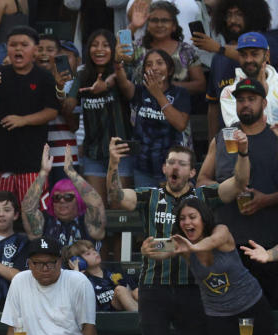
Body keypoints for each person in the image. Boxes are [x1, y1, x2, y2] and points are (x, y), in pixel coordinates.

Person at [108, 136, 250, 335]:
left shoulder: (205, 196)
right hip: (153, 287)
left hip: (194, 287)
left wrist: (243, 153)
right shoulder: (149, 196)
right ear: (164, 168)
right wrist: (113, 164)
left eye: (182, 164)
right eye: (171, 162)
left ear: (192, 172)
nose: (175, 167)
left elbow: (239, 182)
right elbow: (116, 196)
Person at [197, 77, 278, 307]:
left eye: (251, 99)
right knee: (231, 319)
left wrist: (266, 200)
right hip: (228, 247)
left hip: (268, 245)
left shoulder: (274, 138)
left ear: (263, 103)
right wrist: (224, 191)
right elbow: (202, 180)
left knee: (268, 320)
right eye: (240, 100)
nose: (245, 104)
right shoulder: (223, 137)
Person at [158, 197, 274, 335]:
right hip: (218, 315)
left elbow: (213, 241)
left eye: (192, 217)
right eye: (182, 218)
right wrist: (147, 249)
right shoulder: (183, 243)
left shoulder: (221, 230)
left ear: (204, 219)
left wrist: (193, 247)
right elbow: (160, 247)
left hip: (250, 305)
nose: (187, 222)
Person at [0, 26, 58, 203]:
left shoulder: (44, 77)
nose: (18, 49)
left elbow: (52, 111)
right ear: (7, 49)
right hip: (1, 159)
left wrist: (23, 120)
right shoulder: (0, 73)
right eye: (13, 45)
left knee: (33, 215)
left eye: (24, 44)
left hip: (32, 161)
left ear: (35, 50)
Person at [0, 236, 98, 335]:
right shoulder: (19, 281)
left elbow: (88, 329)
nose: (45, 269)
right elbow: (12, 329)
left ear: (60, 262)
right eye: (38, 263)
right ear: (29, 264)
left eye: (51, 263)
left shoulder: (79, 282)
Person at [74, 29, 133, 200]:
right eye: (94, 45)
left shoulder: (123, 73)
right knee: (96, 210)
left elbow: (126, 86)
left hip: (121, 150)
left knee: (119, 207)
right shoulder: (82, 75)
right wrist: (61, 87)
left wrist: (107, 85)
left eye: (106, 45)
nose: (99, 49)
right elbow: (69, 104)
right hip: (93, 153)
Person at [201, 0, 271, 139]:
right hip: (230, 142)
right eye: (229, 15)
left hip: (266, 140)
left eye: (239, 14)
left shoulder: (269, 44)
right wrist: (212, 146)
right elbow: (214, 108)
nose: (233, 20)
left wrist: (219, 48)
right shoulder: (218, 59)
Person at [123, 47, 190, 188]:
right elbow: (121, 80)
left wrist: (158, 94)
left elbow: (180, 124)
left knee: (172, 208)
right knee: (147, 208)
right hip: (143, 166)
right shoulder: (139, 91)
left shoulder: (180, 93)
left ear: (170, 70)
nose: (154, 67)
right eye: (149, 64)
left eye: (160, 63)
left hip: (172, 166)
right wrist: (118, 63)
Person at [21, 144, 107, 249]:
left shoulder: (88, 223)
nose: (62, 201)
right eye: (56, 198)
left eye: (68, 197)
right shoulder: (44, 223)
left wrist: (71, 172)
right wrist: (43, 172)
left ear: (78, 200)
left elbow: (96, 203)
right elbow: (28, 209)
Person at [127, 1, 205, 96]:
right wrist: (133, 26)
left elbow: (200, 85)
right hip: (141, 108)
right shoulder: (137, 47)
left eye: (165, 20)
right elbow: (118, 54)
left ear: (174, 26)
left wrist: (167, 86)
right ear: (147, 25)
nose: (159, 25)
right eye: (154, 20)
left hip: (177, 108)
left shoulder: (186, 51)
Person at [35, 33, 79, 184]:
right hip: (36, 158)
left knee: (66, 205)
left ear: (59, 54)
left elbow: (73, 124)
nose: (44, 54)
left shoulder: (71, 83)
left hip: (65, 158)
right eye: (39, 49)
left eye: (50, 49)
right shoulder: (29, 78)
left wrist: (58, 89)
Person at [219, 31, 278, 127]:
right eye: (243, 55)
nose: (248, 60)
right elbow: (241, 131)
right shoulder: (229, 93)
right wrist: (261, 93)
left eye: (254, 54)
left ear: (267, 55)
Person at [65, 239, 139, 312]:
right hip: (106, 318)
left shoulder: (114, 272)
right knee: (120, 290)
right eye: (88, 253)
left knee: (136, 291)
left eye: (94, 250)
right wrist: (77, 274)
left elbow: (134, 289)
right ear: (79, 260)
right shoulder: (85, 281)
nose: (94, 253)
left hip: (127, 309)